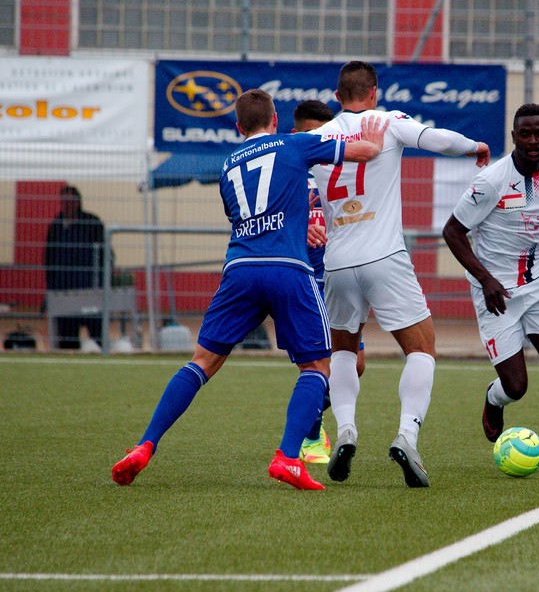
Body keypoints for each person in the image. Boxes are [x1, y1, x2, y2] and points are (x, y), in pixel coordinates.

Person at [111, 88, 387, 490]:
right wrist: (374, 142)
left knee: (202, 361)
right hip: (288, 269)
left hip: (239, 269)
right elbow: (361, 152)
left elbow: (241, 217)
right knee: (317, 367)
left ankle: (144, 445)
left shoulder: (228, 166)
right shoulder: (293, 144)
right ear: (275, 120)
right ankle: (289, 457)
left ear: (239, 127)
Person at [309, 60, 490, 488]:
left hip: (337, 261)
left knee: (343, 349)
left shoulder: (317, 137)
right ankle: (407, 436)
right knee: (422, 347)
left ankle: (346, 430)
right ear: (374, 92)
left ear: (336, 97)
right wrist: (475, 147)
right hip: (384, 255)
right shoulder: (388, 121)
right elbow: (438, 139)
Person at [442, 103, 539, 473]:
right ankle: (494, 398)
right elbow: (452, 232)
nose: (534, 141)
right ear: (514, 136)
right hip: (495, 293)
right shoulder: (490, 181)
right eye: (526, 134)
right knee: (516, 387)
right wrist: (485, 279)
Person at [292, 99, 367, 465]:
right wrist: (300, 229)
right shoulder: (290, 170)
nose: (317, 142)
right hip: (304, 279)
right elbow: (271, 217)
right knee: (320, 364)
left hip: (338, 277)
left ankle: (306, 413)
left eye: (323, 135)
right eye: (310, 134)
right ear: (295, 134)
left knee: (356, 364)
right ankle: (308, 439)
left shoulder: (338, 169)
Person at [44, 185, 107, 349]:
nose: (67, 205)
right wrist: (51, 286)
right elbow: (49, 257)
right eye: (64, 202)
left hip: (89, 288)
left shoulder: (92, 222)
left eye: (70, 201)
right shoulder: (56, 225)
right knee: (67, 337)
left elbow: (103, 255)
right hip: (64, 288)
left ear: (78, 202)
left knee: (97, 333)